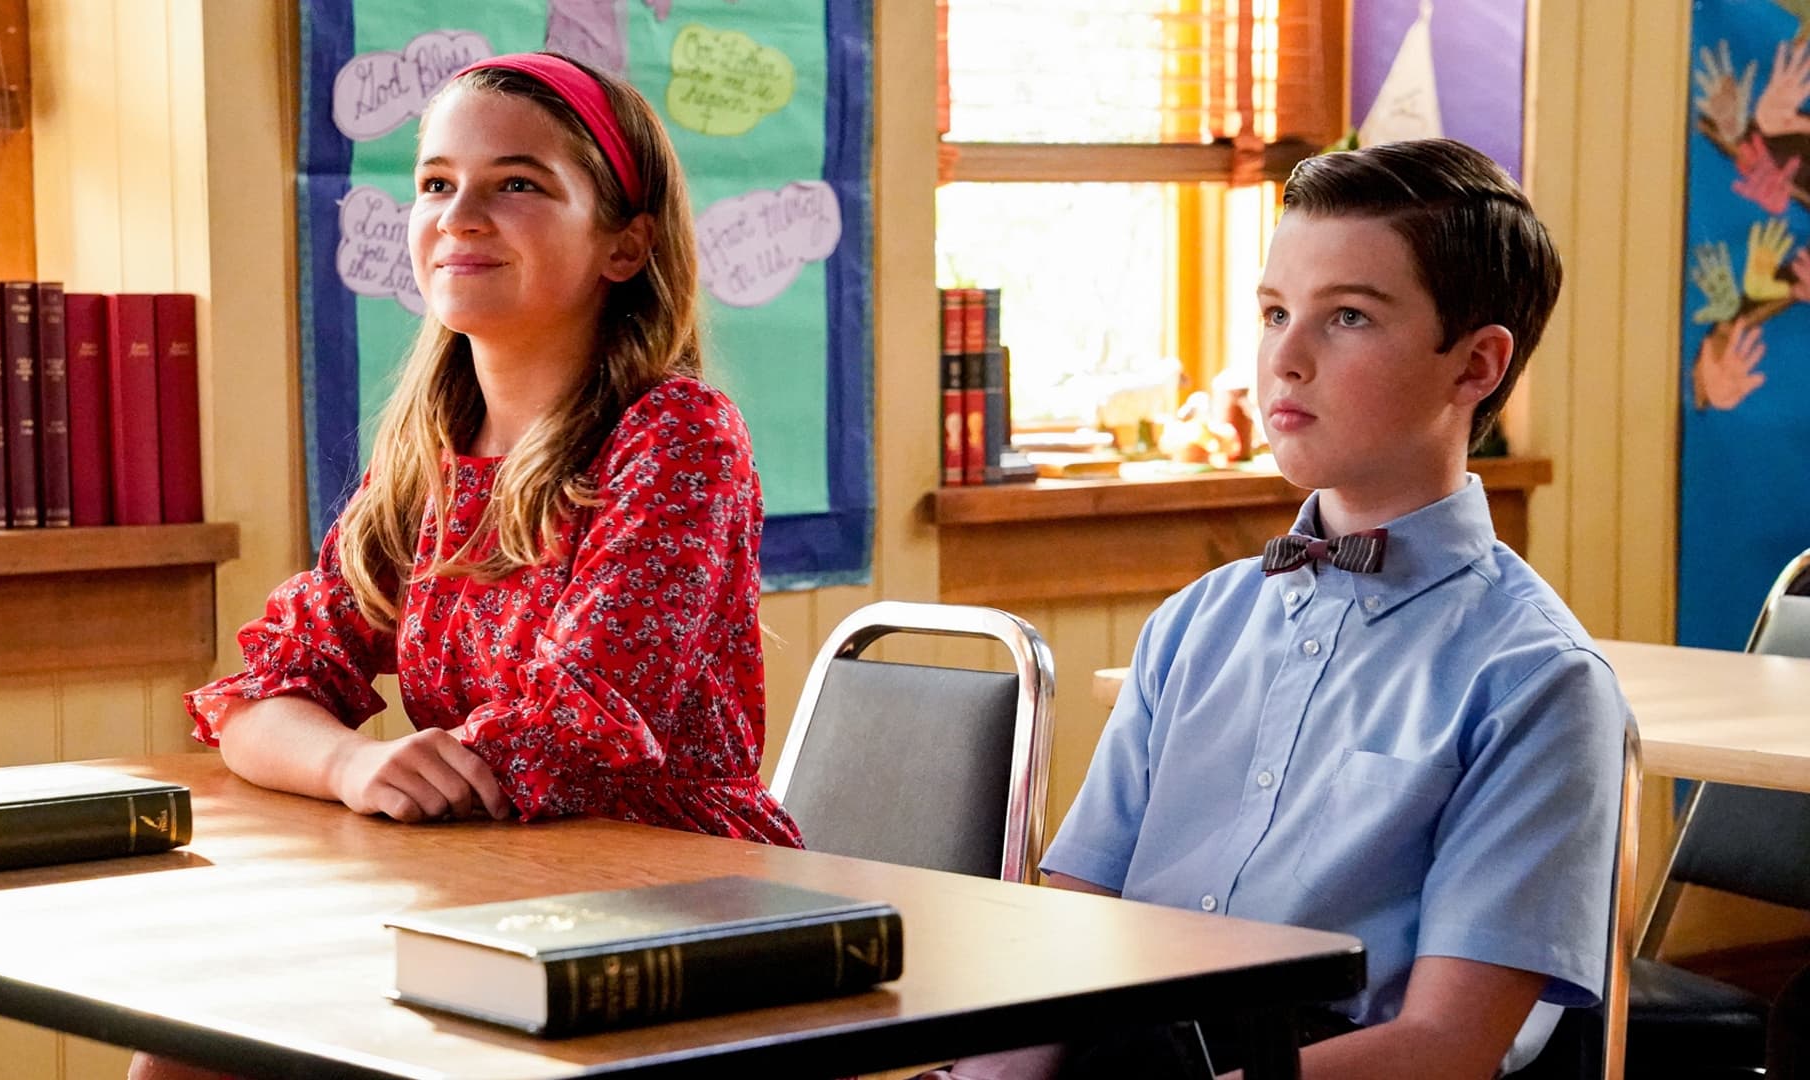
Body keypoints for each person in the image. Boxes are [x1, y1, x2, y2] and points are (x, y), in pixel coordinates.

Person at [933, 139, 1628, 1079]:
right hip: (1130, 1044)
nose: (1285, 360)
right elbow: (1074, 923)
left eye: (1348, 317)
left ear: (1476, 366)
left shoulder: (1539, 681)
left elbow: (1448, 1045)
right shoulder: (1193, 625)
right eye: (1273, 314)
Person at [183, 52, 801, 847]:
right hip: (485, 867)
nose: (459, 216)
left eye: (517, 184)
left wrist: (402, 773)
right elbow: (266, 689)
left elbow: (579, 727)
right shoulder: (428, 456)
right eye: (437, 183)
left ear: (625, 246)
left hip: (681, 875)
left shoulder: (678, 433)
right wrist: (347, 765)